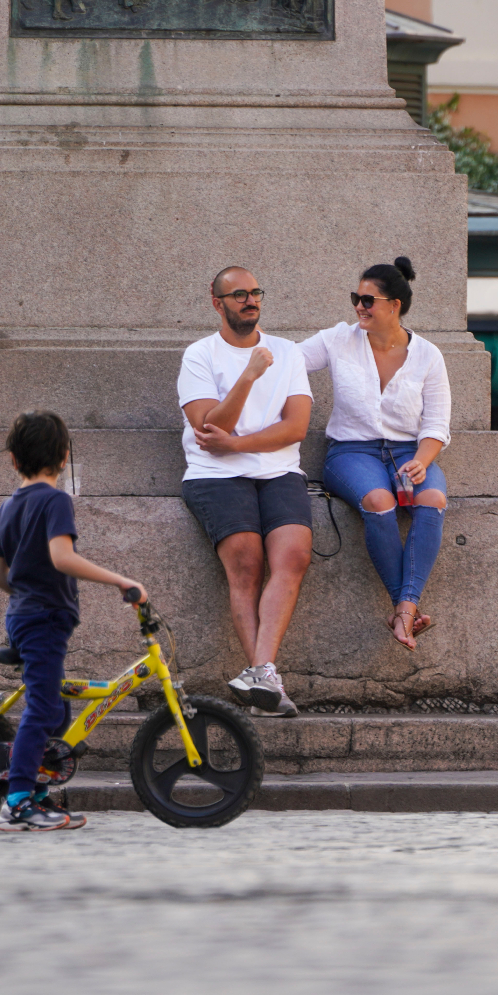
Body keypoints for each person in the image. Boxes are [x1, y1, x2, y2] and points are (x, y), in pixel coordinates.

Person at [0, 411, 147, 832]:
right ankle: (17, 803)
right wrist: (121, 581)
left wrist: (27, 595)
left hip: (26, 617)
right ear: (63, 456)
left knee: (56, 713)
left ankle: (38, 794)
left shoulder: (9, 505)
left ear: (12, 459)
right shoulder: (55, 500)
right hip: (43, 621)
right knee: (42, 710)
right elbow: (63, 558)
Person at [180, 265, 314, 717]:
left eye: (255, 292)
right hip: (214, 476)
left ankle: (260, 675)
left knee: (293, 555)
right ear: (217, 303)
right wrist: (248, 376)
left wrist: (235, 445)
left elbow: (296, 427)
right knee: (247, 563)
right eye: (238, 295)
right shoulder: (200, 355)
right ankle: (264, 678)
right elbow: (211, 427)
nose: (250, 301)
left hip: (279, 471)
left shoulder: (288, 352)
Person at [298, 257, 452, 649]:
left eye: (368, 300)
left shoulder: (428, 355)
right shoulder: (339, 339)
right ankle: (407, 612)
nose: (359, 307)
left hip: (408, 451)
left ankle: (404, 608)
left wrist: (422, 459)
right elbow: (288, 361)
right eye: (356, 298)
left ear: (394, 305)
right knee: (379, 501)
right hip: (352, 452)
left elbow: (436, 424)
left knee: (432, 498)